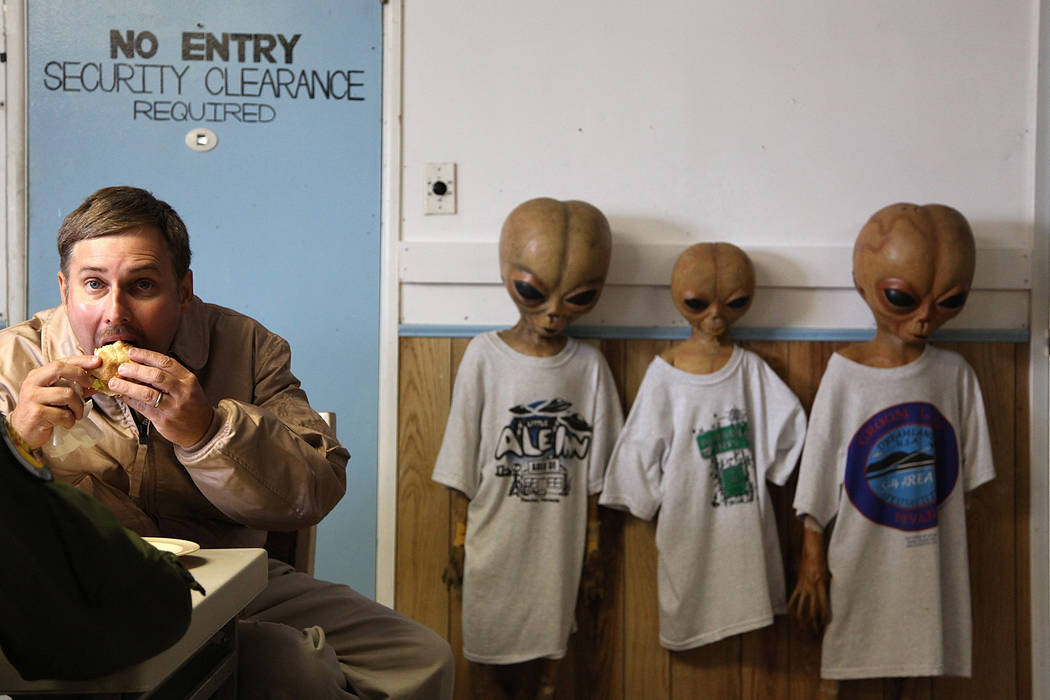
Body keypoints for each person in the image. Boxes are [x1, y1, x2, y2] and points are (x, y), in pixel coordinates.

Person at [0, 186, 454, 699]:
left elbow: (317, 487)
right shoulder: (11, 362)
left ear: (183, 290)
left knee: (421, 658)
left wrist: (208, 431)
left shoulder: (248, 347)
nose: (115, 314)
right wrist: (15, 440)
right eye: (93, 285)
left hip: (232, 579)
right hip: (79, 592)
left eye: (143, 285)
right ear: (65, 291)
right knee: (288, 667)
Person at [788, 203, 995, 687]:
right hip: (859, 560)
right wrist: (812, 561)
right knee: (846, 663)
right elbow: (818, 473)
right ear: (863, 284)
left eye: (947, 302)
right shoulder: (845, 373)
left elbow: (970, 484)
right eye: (904, 298)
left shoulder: (955, 375)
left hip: (928, 571)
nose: (925, 318)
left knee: (918, 670)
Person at [431, 198, 623, 698]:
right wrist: (458, 543)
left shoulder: (590, 367)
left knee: (551, 661)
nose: (556, 311)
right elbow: (461, 457)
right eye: (536, 293)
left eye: (577, 297)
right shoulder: (484, 355)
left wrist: (595, 550)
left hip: (557, 546)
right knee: (485, 650)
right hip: (494, 539)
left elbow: (599, 473)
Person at [600, 242, 806, 651]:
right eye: (699, 303)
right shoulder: (667, 374)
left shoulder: (751, 372)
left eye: (732, 303)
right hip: (687, 534)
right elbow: (637, 461)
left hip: (747, 539)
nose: (714, 315)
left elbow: (792, 431)